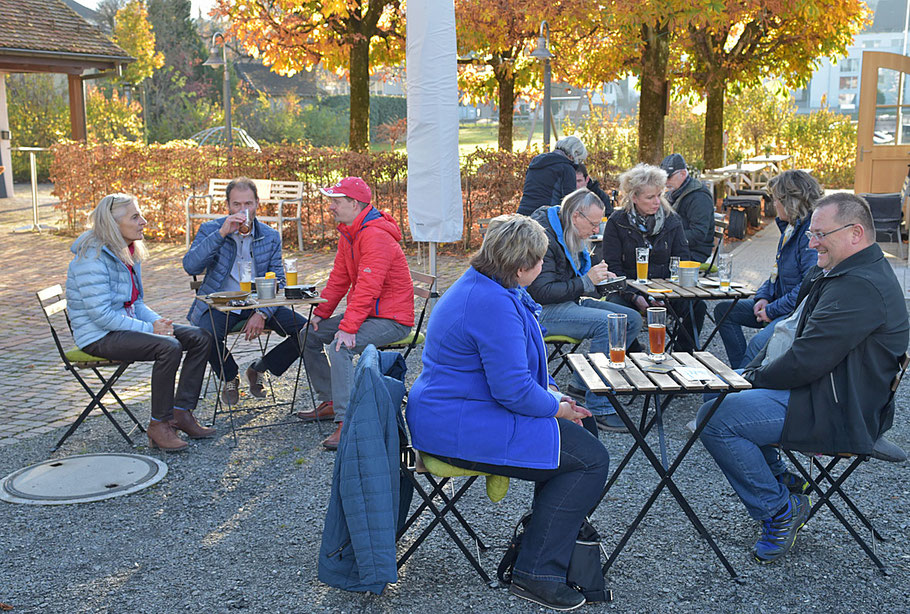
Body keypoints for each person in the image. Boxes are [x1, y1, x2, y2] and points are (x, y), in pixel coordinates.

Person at [407, 214, 609, 611]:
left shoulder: (490, 286)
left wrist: (557, 402)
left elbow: (513, 379)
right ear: (522, 267)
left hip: (463, 412)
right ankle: (536, 572)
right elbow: (514, 391)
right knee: (590, 460)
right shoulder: (490, 303)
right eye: (540, 262)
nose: (541, 267)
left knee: (585, 438)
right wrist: (557, 408)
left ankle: (545, 539)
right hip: (457, 426)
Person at [697, 193, 909, 564]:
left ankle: (778, 508)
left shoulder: (860, 286)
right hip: (826, 393)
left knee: (716, 418)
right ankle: (783, 482)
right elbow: (793, 339)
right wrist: (749, 376)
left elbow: (806, 361)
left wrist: (754, 378)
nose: (811, 243)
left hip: (841, 410)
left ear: (855, 233)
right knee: (716, 398)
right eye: (810, 234)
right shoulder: (844, 269)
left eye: (820, 234)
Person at [67, 194, 213, 451]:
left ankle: (182, 413)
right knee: (168, 347)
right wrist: (151, 330)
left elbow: (135, 303)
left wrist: (157, 322)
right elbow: (100, 315)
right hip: (98, 336)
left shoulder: (127, 251)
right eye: (135, 217)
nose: (143, 221)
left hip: (122, 326)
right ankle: (159, 424)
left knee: (200, 337)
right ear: (113, 224)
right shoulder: (92, 258)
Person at [298, 177, 414, 450]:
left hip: (392, 319)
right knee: (308, 334)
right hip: (370, 313)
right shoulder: (350, 232)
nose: (331, 208)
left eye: (336, 202)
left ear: (354, 203)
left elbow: (367, 288)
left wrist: (348, 328)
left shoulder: (374, 235)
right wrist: (321, 313)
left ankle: (346, 422)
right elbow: (339, 278)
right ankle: (330, 399)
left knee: (340, 347)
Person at [183, 177, 307, 407]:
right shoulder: (211, 230)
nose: (243, 210)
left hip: (260, 301)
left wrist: (263, 313)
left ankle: (260, 367)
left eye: (248, 204)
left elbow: (278, 278)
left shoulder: (269, 235)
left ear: (257, 204)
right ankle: (230, 376)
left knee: (307, 332)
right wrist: (221, 234)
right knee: (204, 335)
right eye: (237, 205)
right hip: (223, 302)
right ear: (228, 206)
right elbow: (191, 266)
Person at [528, 189, 643, 432]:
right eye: (593, 224)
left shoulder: (564, 229)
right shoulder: (544, 236)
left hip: (565, 302)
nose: (596, 231)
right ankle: (599, 407)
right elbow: (542, 292)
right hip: (539, 311)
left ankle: (580, 385)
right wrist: (586, 281)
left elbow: (571, 282)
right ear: (575, 216)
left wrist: (599, 282)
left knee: (630, 318)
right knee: (611, 322)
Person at [714, 170, 821, 368]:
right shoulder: (789, 227)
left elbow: (808, 288)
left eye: (775, 199)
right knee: (724, 311)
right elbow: (776, 273)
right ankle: (742, 373)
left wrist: (772, 310)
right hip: (779, 304)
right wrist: (762, 297)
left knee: (757, 344)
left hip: (795, 314)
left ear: (789, 201)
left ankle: (742, 384)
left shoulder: (808, 234)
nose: (773, 204)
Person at [602, 163, 706, 351]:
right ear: (634, 197)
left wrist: (665, 294)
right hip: (629, 290)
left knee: (697, 304)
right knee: (617, 308)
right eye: (650, 197)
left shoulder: (671, 220)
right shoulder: (617, 223)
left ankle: (683, 353)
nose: (657, 201)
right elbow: (613, 268)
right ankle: (633, 356)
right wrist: (635, 297)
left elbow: (682, 260)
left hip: (666, 290)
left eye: (659, 195)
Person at [660, 153, 715, 262]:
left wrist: (667, 238)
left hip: (694, 252)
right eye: (663, 177)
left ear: (683, 173)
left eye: (669, 177)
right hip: (678, 248)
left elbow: (698, 234)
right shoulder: (673, 192)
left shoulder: (699, 197)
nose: (665, 181)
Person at [517, 135, 587, 216]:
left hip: (522, 215)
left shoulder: (536, 161)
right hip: (544, 218)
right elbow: (569, 205)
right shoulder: (566, 169)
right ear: (573, 155)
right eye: (579, 160)